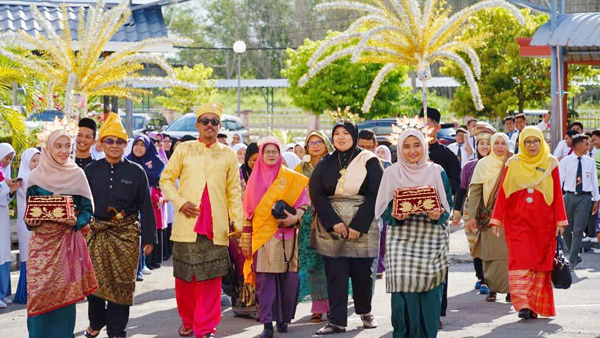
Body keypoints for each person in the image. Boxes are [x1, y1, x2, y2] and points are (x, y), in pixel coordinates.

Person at [160, 102, 244, 338]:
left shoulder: (227, 154)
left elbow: (233, 192)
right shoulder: (185, 149)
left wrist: (239, 225)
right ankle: (188, 321)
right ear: (197, 125)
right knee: (186, 279)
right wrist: (179, 201)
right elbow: (165, 180)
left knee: (211, 281)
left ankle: (205, 328)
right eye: (205, 121)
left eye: (214, 122)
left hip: (215, 227)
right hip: (187, 225)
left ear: (219, 126)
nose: (209, 125)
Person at [84, 113, 157, 338]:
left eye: (119, 141)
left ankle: (117, 330)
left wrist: (148, 238)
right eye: (109, 141)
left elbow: (146, 205)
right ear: (101, 144)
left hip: (126, 234)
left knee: (122, 283)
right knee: (95, 281)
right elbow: (83, 203)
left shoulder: (136, 172)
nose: (114, 146)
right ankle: (96, 322)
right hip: (96, 233)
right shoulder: (91, 170)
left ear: (125, 144)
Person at [374, 128, 452, 338]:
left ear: (424, 146)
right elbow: (383, 208)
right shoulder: (391, 173)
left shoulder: (437, 171)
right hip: (401, 239)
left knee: (430, 291)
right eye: (406, 146)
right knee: (403, 293)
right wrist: (395, 217)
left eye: (417, 145)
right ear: (399, 149)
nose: (412, 151)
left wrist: (439, 215)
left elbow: (447, 206)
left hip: (432, 239)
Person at [309, 120, 383, 335]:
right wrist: (334, 222)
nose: (340, 137)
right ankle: (337, 321)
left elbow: (375, 193)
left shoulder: (369, 160)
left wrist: (358, 224)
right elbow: (316, 193)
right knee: (335, 274)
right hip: (332, 228)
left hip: (362, 224)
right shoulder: (325, 162)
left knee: (361, 273)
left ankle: (365, 312)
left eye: (345, 133)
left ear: (354, 135)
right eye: (336, 133)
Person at [24, 130, 97, 337]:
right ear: (48, 148)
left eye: (67, 146)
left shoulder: (76, 174)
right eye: (58, 146)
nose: (64, 151)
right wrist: (32, 220)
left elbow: (87, 210)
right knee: (37, 294)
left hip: (67, 244)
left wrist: (76, 221)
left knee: (65, 300)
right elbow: (30, 217)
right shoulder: (36, 177)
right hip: (41, 247)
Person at [490, 126, 567, 319]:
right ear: (521, 143)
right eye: (528, 142)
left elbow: (557, 193)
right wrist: (497, 218)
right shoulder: (513, 163)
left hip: (544, 223)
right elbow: (503, 193)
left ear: (542, 142)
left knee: (539, 262)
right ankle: (523, 304)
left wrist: (560, 219)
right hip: (517, 222)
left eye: (536, 141)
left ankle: (534, 305)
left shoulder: (551, 163)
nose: (532, 146)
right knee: (520, 260)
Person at [240, 137, 309, 338]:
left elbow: (303, 203)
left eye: (275, 151)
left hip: (287, 236)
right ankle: (267, 323)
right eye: (267, 151)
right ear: (261, 154)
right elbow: (248, 214)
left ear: (280, 154)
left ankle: (284, 319)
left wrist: (295, 217)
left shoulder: (290, 178)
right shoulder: (253, 179)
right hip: (263, 238)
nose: (271, 154)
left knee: (288, 281)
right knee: (265, 282)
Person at [419, 107, 460, 324]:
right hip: (410, 220)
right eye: (421, 122)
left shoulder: (446, 155)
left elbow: (456, 183)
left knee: (438, 265)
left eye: (429, 123)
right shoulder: (408, 151)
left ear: (437, 127)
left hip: (437, 217)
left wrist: (435, 192)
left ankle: (436, 313)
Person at [465, 133, 511, 303]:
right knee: (489, 254)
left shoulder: (513, 163)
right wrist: (472, 216)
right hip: (488, 216)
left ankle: (510, 290)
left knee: (508, 255)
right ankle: (492, 289)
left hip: (510, 216)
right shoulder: (483, 164)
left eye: (503, 143)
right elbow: (475, 192)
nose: (499, 146)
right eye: (496, 143)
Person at [295, 131, 334, 323]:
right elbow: (293, 193)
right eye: (311, 143)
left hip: (331, 217)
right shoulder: (300, 168)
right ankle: (318, 307)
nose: (316, 145)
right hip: (308, 220)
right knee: (313, 265)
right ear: (306, 147)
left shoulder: (336, 165)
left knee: (332, 264)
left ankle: (334, 305)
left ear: (327, 144)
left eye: (319, 142)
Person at [452, 125, 494, 294]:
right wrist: (457, 211)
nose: (484, 147)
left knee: (490, 244)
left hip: (492, 208)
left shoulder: (500, 165)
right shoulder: (469, 166)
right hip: (472, 208)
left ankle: (488, 278)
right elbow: (462, 190)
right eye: (480, 143)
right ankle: (480, 277)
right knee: (475, 243)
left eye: (487, 143)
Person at [224, 141, 259, 318]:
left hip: (259, 226)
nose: (254, 162)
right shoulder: (237, 174)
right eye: (252, 159)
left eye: (257, 159)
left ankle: (255, 302)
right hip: (238, 226)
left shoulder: (264, 174)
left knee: (255, 263)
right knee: (239, 263)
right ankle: (240, 301)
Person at [559, 134, 600, 270]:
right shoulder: (565, 161)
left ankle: (571, 260)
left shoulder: (590, 162)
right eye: (586, 143)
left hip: (585, 198)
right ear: (577, 145)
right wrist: (558, 199)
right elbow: (559, 181)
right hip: (569, 197)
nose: (588, 146)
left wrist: (596, 199)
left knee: (578, 230)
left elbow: (594, 181)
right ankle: (575, 255)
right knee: (565, 229)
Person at [127, 134, 166, 270]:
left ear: (148, 148)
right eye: (136, 144)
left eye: (142, 145)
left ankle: (142, 265)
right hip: (129, 203)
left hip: (149, 202)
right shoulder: (126, 162)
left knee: (145, 231)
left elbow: (162, 184)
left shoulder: (156, 164)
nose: (138, 148)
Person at [13, 148, 40, 304]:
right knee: (27, 255)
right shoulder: (24, 178)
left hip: (38, 221)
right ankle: (25, 292)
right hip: (26, 222)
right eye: (33, 161)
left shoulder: (39, 176)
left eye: (39, 161)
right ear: (26, 162)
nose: (37, 164)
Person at [0, 143, 19, 308]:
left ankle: (4, 293)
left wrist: (11, 189)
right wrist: (6, 185)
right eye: (6, 157)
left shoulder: (4, 173)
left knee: (5, 252)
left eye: (10, 159)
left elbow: (5, 199)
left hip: (3, 216)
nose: (8, 161)